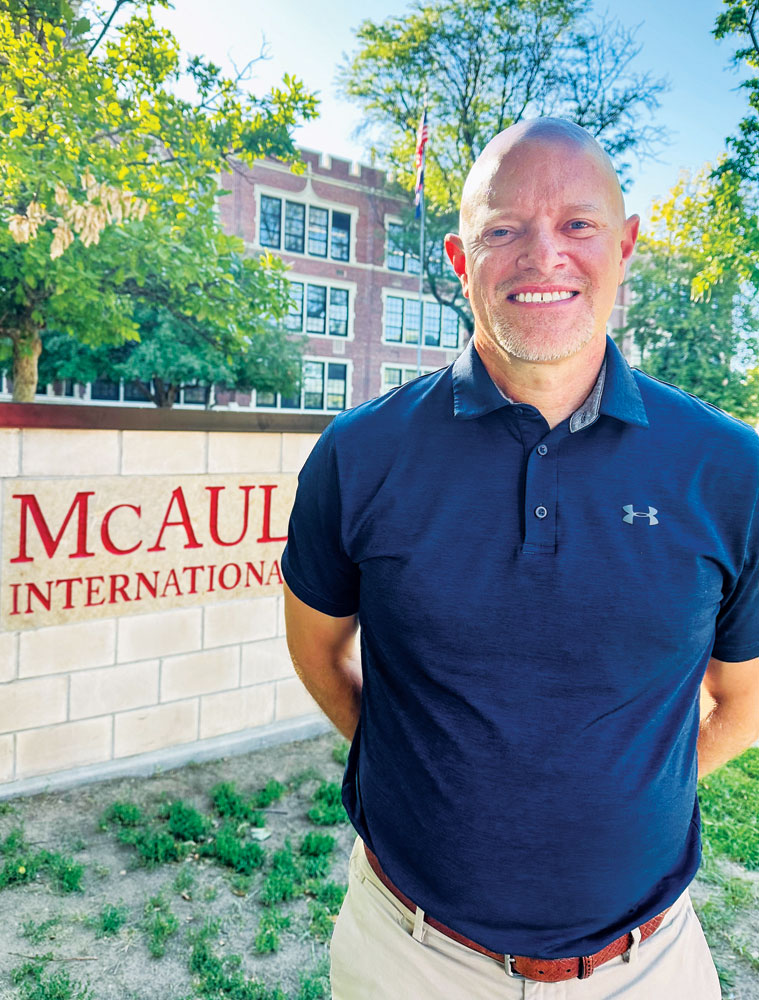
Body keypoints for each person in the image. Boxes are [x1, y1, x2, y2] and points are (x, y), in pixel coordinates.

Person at [281, 118, 759, 999]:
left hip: (646, 966)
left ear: (624, 246)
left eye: (576, 224)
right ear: (462, 260)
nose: (543, 256)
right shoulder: (358, 456)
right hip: (405, 957)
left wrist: (628, 784)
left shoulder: (730, 469)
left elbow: (744, 699)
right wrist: (421, 766)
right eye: (504, 229)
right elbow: (318, 649)